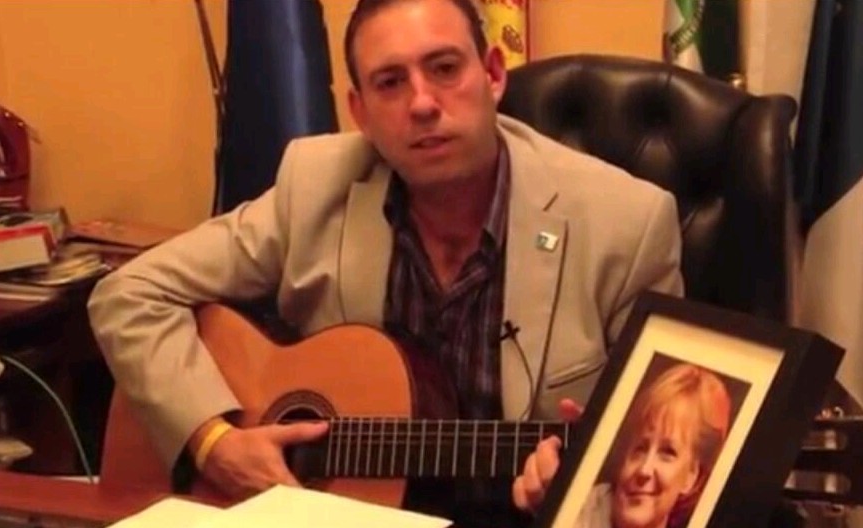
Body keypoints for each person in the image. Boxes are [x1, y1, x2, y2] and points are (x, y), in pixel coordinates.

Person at [88, 0, 683, 526]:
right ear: (361, 112)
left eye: (444, 68)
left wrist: (579, 493)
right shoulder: (316, 185)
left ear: (494, 74)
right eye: (391, 82)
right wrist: (212, 439)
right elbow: (128, 294)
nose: (422, 103)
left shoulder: (626, 225)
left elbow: (670, 445)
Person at [543, 363, 731, 528]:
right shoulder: (576, 511)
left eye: (667, 452)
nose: (644, 470)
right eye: (640, 448)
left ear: (691, 476)